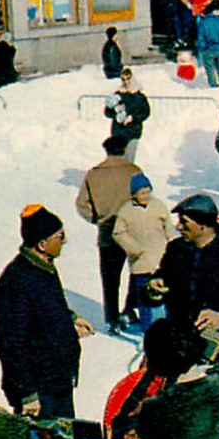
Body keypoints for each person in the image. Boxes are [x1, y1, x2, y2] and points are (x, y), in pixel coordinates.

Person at [0, 205, 94, 419]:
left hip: (58, 381)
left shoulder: (44, 266)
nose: (65, 242)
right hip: (40, 391)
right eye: (60, 236)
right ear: (42, 244)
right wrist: (27, 394)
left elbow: (46, 308)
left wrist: (70, 319)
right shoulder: (16, 283)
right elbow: (11, 344)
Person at [149, 194, 219, 330]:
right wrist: (154, 286)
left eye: (184, 222)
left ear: (203, 225)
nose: (178, 227)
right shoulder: (176, 249)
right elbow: (163, 278)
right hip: (179, 333)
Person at [75, 134, 141, 333]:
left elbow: (82, 205)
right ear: (125, 150)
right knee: (137, 272)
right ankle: (130, 308)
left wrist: (97, 218)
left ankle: (111, 318)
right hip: (132, 230)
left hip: (107, 232)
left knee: (110, 279)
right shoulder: (134, 172)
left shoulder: (93, 174)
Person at [112, 173, 174, 332]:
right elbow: (118, 233)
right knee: (145, 298)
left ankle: (166, 328)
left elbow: (169, 227)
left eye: (148, 191)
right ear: (134, 194)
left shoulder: (159, 206)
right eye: (142, 193)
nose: (146, 196)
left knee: (164, 295)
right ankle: (148, 330)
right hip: (141, 262)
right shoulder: (125, 211)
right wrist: (135, 249)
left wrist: (173, 246)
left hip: (161, 258)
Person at [105, 66, 152, 159]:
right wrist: (116, 115)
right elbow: (107, 112)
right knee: (119, 160)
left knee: (129, 159)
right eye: (123, 79)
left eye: (128, 78)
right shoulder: (118, 94)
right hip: (118, 132)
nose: (126, 81)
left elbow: (145, 112)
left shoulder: (139, 96)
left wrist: (133, 118)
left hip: (133, 132)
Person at [196, 2, 219, 88]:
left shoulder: (203, 22)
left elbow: (201, 37)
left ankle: (213, 85)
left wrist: (202, 48)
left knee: (210, 69)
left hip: (208, 49)